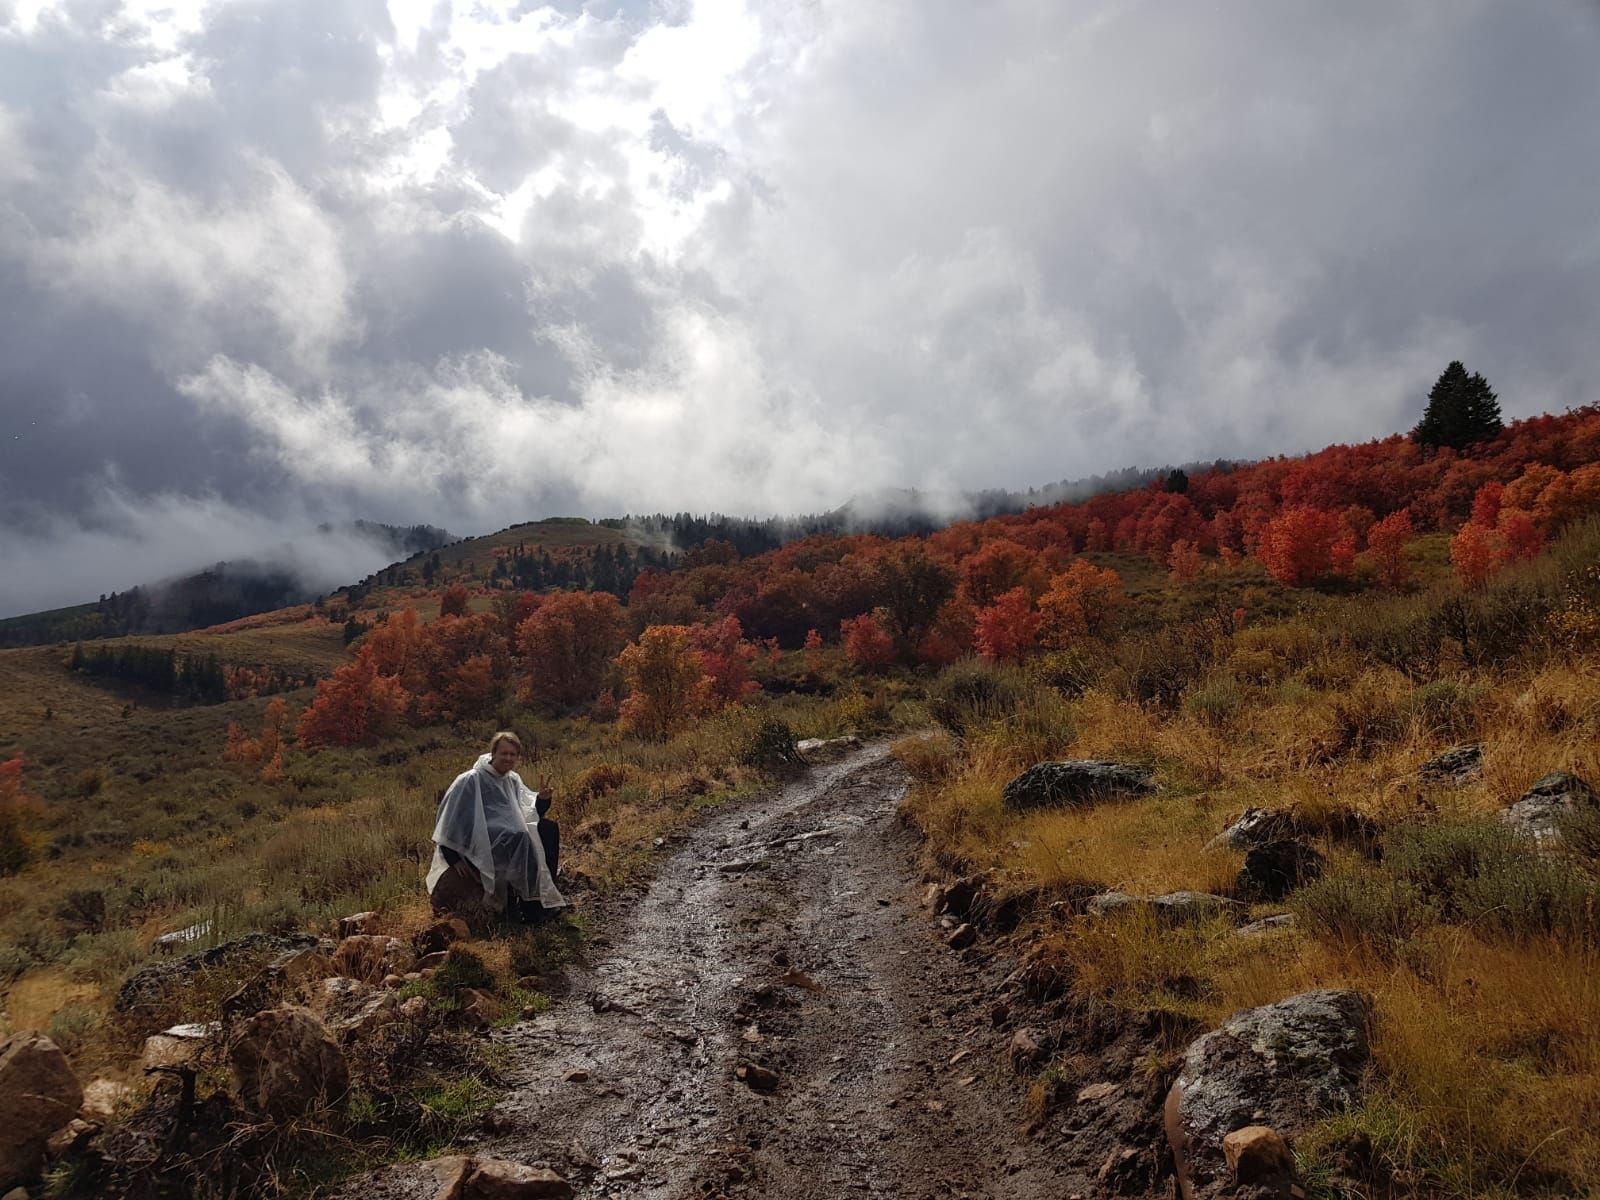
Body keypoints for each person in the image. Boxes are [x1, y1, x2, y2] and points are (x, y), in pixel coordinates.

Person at [426, 731, 568, 925]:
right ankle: (530, 909)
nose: (508, 758)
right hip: (479, 845)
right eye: (504, 753)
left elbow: (529, 814)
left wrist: (543, 800)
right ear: (493, 753)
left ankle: (543, 895)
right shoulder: (470, 780)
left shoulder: (511, 780)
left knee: (548, 829)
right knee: (522, 837)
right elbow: (449, 819)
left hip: (509, 838)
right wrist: (453, 857)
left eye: (512, 754)